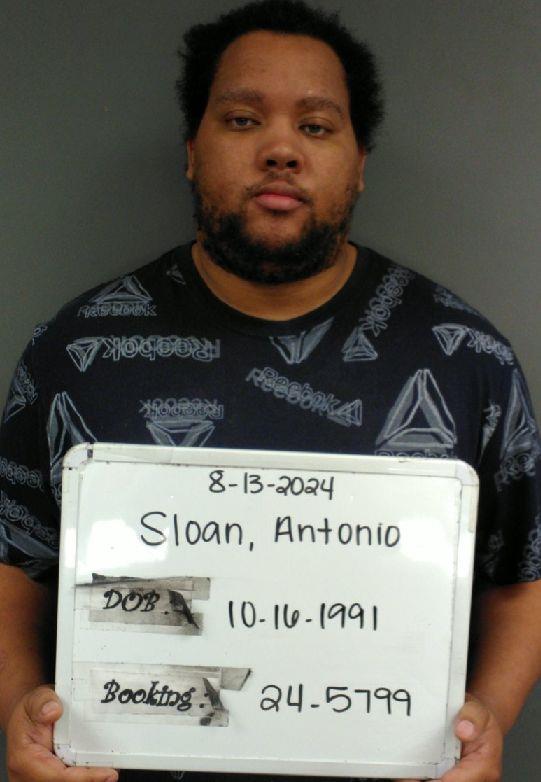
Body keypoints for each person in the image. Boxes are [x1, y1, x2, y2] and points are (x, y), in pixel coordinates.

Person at [1, 1, 540, 781]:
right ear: (192, 151)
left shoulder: (464, 359)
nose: (280, 149)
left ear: (358, 162)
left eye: (315, 126)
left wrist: (489, 717)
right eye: (243, 120)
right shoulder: (76, 354)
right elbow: (13, 565)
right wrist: (18, 708)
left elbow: (522, 580)